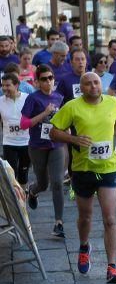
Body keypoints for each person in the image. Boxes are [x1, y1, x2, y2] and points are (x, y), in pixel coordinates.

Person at [49, 72, 116, 283]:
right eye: (88, 84)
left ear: (101, 84)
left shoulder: (112, 102)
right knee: (86, 217)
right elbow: (54, 132)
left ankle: (112, 267)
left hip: (109, 167)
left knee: (110, 218)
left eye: (96, 82)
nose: (93, 86)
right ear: (81, 88)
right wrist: (73, 138)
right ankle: (84, 246)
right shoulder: (72, 107)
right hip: (83, 169)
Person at [21, 64, 65, 238]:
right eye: (44, 79)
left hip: (56, 145)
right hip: (37, 146)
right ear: (38, 82)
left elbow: (63, 119)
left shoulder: (59, 97)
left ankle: (58, 223)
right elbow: (24, 124)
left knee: (57, 183)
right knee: (43, 184)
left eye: (51, 78)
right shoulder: (33, 98)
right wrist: (44, 113)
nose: (48, 81)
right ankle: (32, 191)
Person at [0, 73, 30, 188]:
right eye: (3, 85)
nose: (4, 88)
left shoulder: (27, 98)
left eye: (7, 85)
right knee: (11, 175)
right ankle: (15, 203)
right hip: (9, 142)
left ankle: (24, 201)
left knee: (23, 176)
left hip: (26, 142)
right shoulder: (0, 101)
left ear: (16, 85)